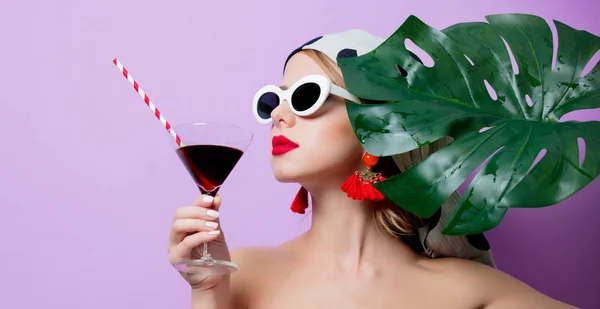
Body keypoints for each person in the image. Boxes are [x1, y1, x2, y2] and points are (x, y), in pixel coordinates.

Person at [167, 29, 578, 308]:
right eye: (274, 98)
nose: (279, 113)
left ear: (385, 125)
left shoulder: (469, 292)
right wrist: (208, 295)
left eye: (307, 96)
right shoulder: (239, 274)